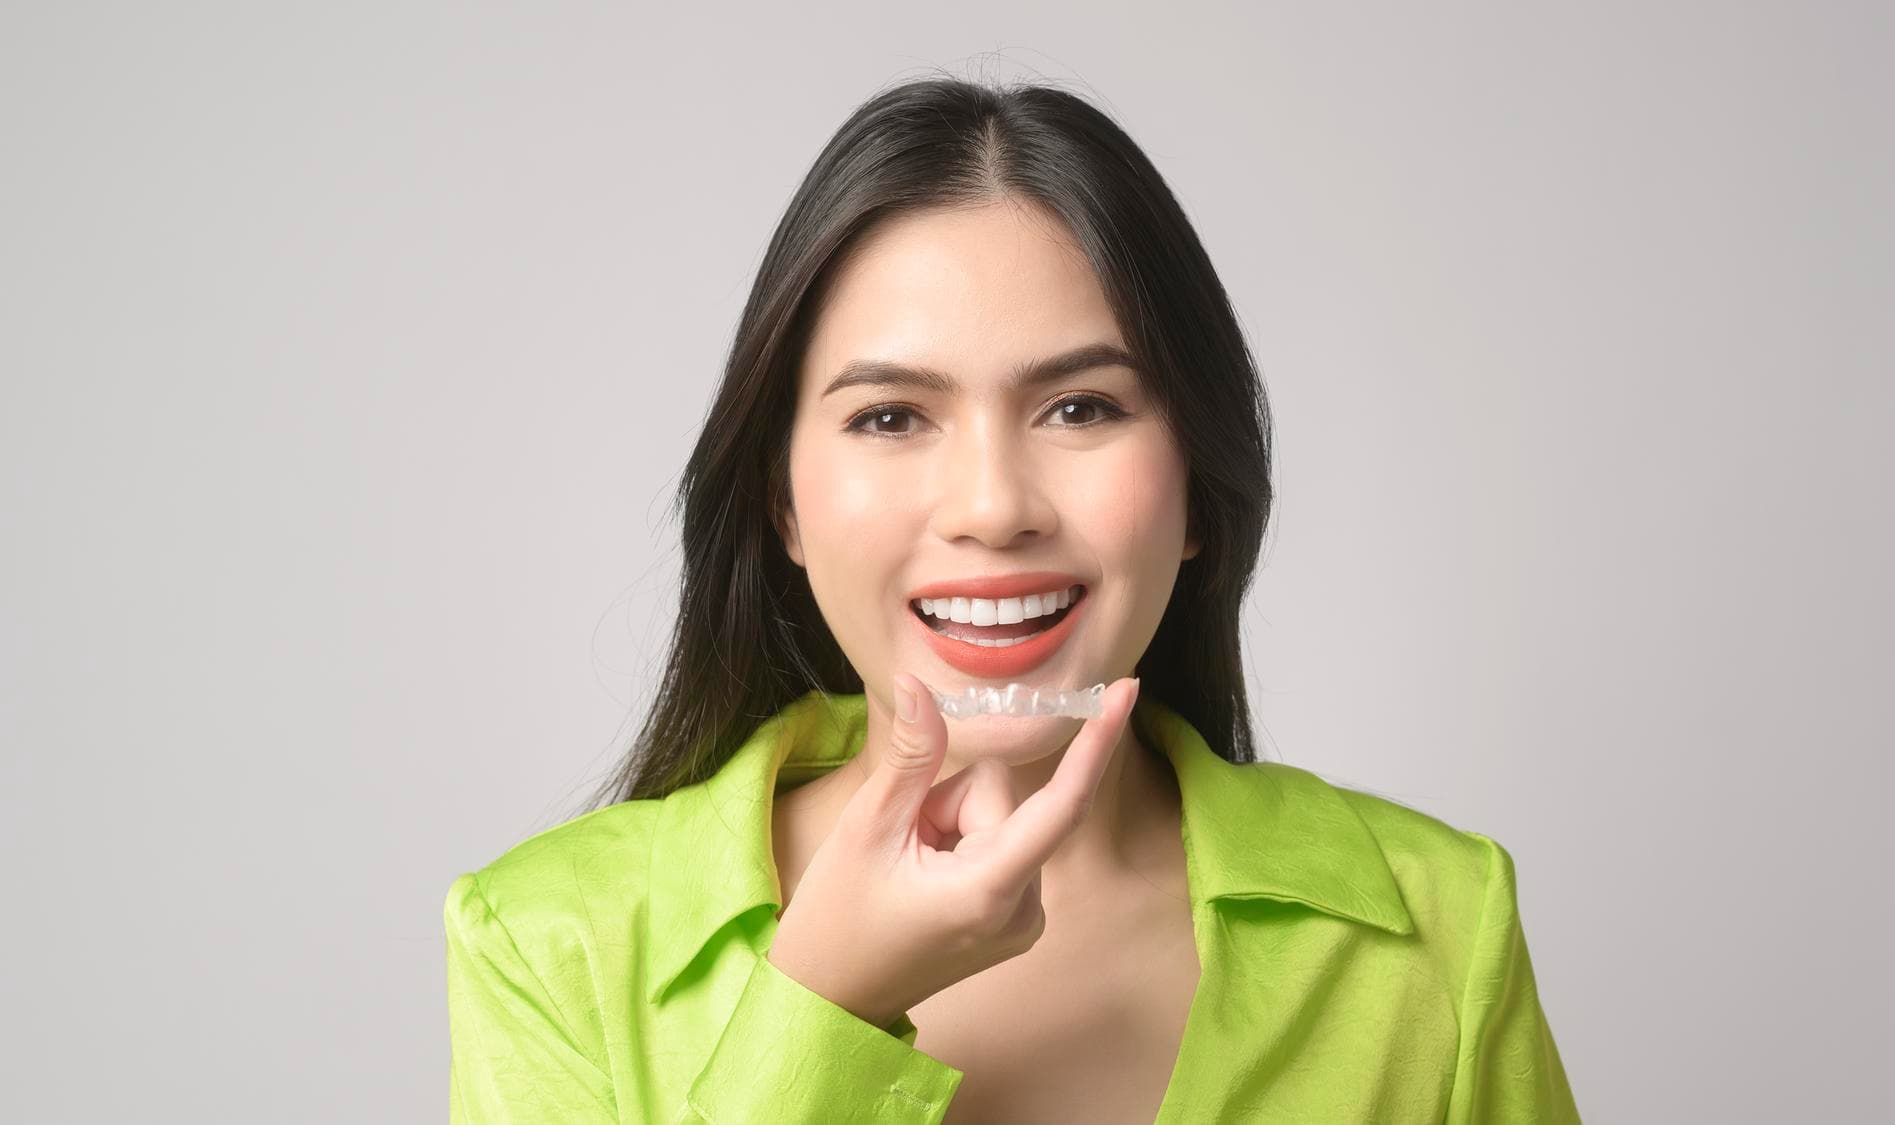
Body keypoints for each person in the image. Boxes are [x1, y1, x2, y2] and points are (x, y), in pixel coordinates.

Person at [442, 75, 1581, 1124]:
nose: (992, 508)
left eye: (1081, 408)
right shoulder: (547, 943)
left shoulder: (1436, 925)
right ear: (781, 505)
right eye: (889, 417)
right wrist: (821, 1008)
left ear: (1196, 491)